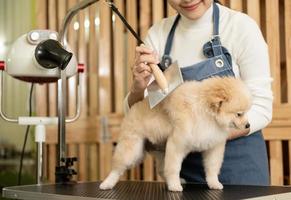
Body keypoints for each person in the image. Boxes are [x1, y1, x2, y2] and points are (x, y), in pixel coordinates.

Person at [124, 0, 273, 185]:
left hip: (239, 169)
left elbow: (262, 108)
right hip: (181, 173)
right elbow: (141, 113)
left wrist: (201, 137)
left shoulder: (240, 27)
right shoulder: (158, 34)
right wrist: (138, 87)